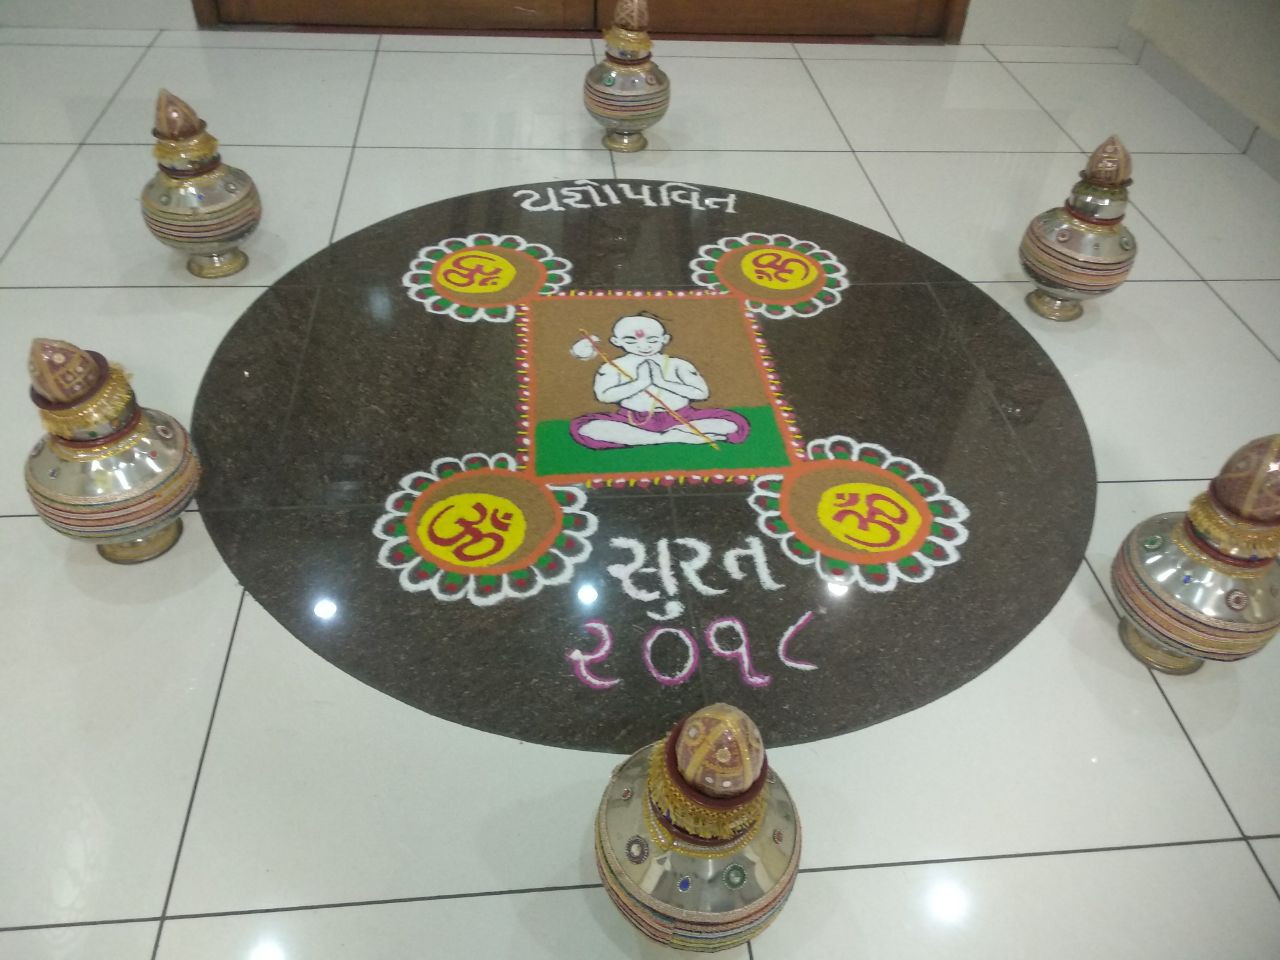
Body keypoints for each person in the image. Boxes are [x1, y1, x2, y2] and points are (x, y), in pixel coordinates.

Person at [569, 312, 750, 449]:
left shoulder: (678, 364)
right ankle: (665, 438)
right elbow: (604, 396)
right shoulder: (612, 367)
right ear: (616, 341)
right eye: (631, 341)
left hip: (682, 417)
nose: (643, 346)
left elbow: (701, 393)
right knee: (586, 428)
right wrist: (640, 383)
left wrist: (662, 382)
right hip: (632, 420)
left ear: (665, 339)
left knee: (732, 423)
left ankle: (665, 435)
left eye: (652, 340)